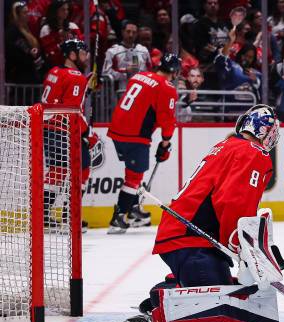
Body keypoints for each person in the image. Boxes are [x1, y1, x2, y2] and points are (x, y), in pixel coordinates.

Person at [115, 105, 281, 322]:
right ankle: (159, 311)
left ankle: (169, 291)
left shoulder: (228, 146)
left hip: (183, 236)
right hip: (192, 241)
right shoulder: (254, 152)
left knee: (226, 289)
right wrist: (241, 246)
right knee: (222, 302)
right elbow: (233, 202)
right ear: (264, 131)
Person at [106, 53, 180, 234]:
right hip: (134, 135)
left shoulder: (139, 76)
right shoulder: (167, 87)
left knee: (133, 174)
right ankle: (119, 218)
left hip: (116, 130)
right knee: (134, 178)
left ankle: (132, 209)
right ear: (175, 72)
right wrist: (166, 142)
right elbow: (167, 119)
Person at [40, 39, 95, 231]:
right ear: (71, 55)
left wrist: (84, 89)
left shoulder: (54, 71)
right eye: (81, 53)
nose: (85, 57)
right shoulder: (75, 76)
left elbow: (61, 97)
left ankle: (47, 216)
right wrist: (88, 131)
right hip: (64, 128)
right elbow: (72, 110)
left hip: (48, 126)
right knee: (82, 167)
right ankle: (70, 216)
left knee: (58, 170)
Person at [102, 20, 152, 91]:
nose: (131, 35)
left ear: (137, 34)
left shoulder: (143, 51)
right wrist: (126, 71)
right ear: (122, 32)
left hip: (141, 91)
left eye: (134, 32)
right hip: (120, 92)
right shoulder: (112, 51)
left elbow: (150, 72)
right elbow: (105, 74)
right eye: (128, 31)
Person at [5, 1, 45, 88]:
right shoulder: (13, 32)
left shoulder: (27, 30)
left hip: (31, 75)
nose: (28, 15)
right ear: (17, 15)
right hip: (20, 78)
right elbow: (22, 54)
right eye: (25, 12)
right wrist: (32, 55)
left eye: (28, 12)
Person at [39, 0, 83, 68]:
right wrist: (61, 41)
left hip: (73, 66)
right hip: (54, 67)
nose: (66, 12)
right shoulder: (46, 29)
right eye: (63, 10)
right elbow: (50, 55)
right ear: (55, 11)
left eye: (67, 9)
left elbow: (81, 47)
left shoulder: (73, 26)